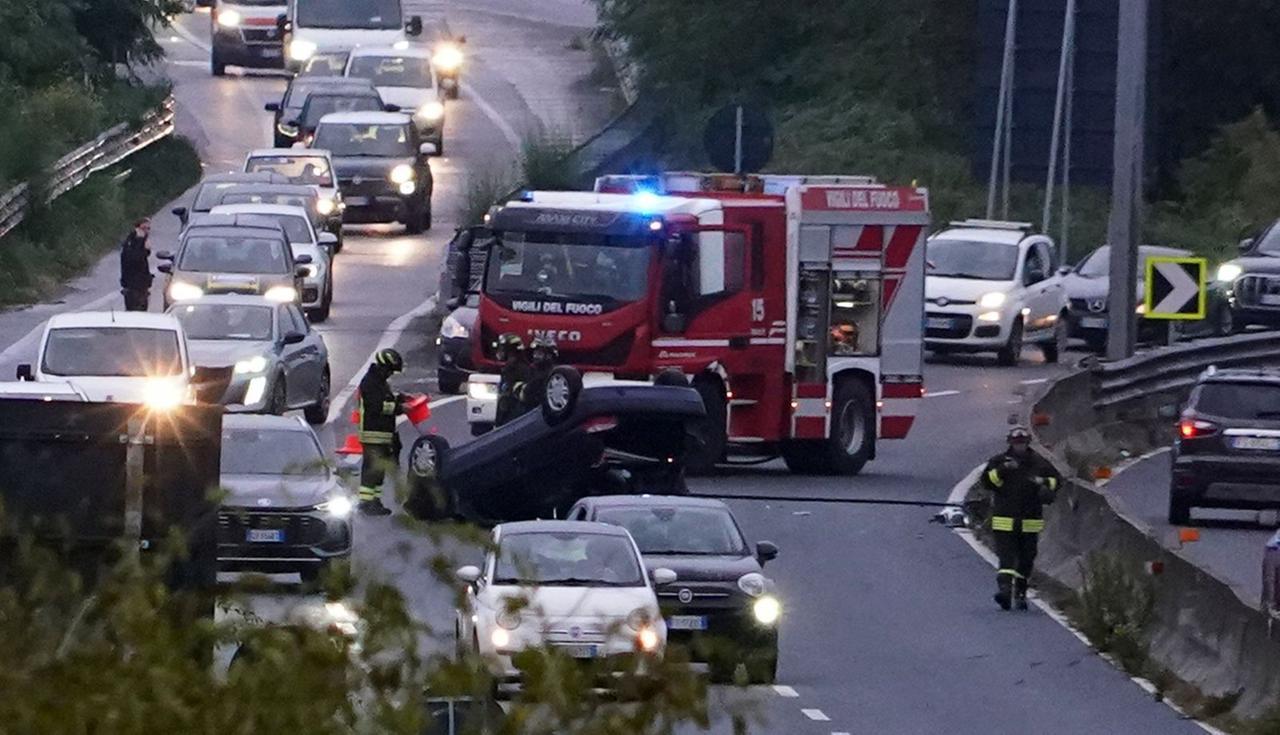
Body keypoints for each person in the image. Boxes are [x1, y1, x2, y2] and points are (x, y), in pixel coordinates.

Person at [980, 426, 1063, 610]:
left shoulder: (1040, 464)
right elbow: (986, 482)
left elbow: (1057, 481)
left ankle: (1020, 591)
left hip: (1030, 522)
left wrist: (1043, 483)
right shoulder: (999, 461)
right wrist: (1002, 470)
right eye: (1016, 443)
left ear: (1028, 443)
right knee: (1006, 559)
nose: (1020, 447)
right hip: (1004, 520)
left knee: (1026, 559)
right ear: (1010, 443)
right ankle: (1004, 592)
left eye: (1023, 443)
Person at [356, 348, 405, 516]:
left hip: (383, 435)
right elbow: (376, 406)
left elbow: (386, 398)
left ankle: (374, 500)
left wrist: (400, 399)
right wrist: (399, 407)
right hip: (372, 434)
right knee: (372, 469)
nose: (390, 374)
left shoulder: (380, 382)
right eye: (390, 370)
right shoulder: (369, 382)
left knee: (380, 471)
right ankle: (366, 502)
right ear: (382, 367)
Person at [494, 333, 529, 426]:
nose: (499, 352)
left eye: (502, 349)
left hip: (513, 414)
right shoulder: (511, 367)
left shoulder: (517, 369)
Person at [119, 218, 153, 311]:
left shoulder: (140, 241)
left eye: (148, 228)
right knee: (135, 311)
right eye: (144, 228)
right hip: (133, 286)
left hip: (142, 285)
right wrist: (142, 243)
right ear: (137, 228)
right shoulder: (131, 242)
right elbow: (135, 259)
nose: (146, 231)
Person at [518, 338, 559, 412]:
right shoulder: (530, 370)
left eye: (539, 354)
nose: (535, 356)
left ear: (549, 356)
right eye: (535, 353)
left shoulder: (555, 374)